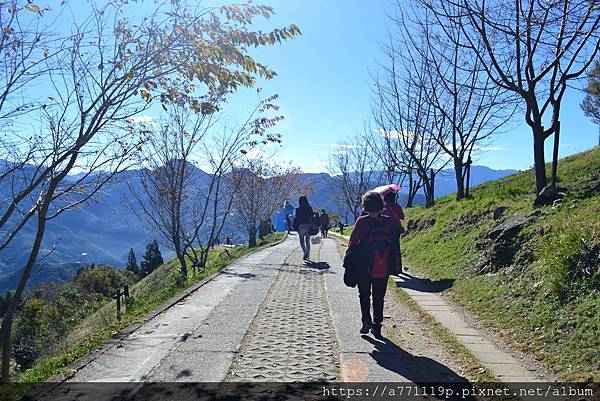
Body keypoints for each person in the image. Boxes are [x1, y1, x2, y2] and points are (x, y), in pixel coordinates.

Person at [347, 191, 399, 338]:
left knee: (364, 294)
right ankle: (377, 326)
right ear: (380, 205)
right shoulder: (388, 222)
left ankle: (366, 320)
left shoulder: (362, 221)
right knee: (379, 297)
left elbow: (352, 242)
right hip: (382, 265)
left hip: (364, 265)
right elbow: (394, 241)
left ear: (366, 206)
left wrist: (350, 259)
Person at [294, 196, 314, 260]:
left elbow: (296, 219)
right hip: (309, 225)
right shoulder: (309, 208)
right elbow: (312, 217)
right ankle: (308, 255)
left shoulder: (298, 209)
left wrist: (296, 227)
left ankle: (305, 252)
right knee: (307, 241)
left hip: (301, 226)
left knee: (302, 240)